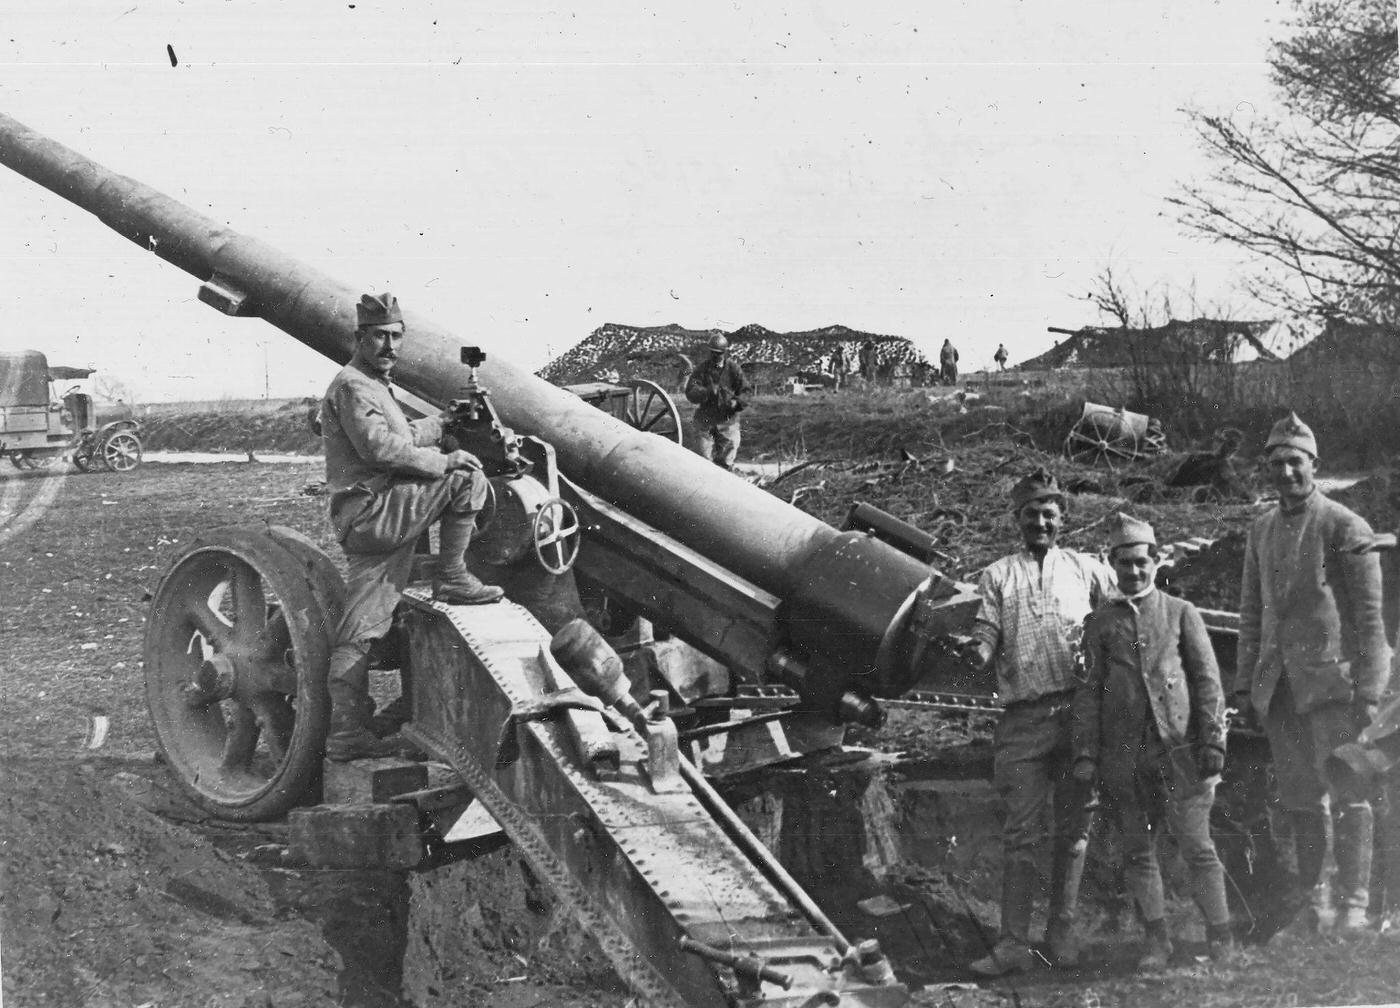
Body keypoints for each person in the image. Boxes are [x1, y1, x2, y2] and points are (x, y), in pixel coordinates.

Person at [319, 292, 504, 762]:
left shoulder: (371, 385)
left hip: (373, 512)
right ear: (360, 338)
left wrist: (442, 423)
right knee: (466, 480)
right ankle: (453, 575)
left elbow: (400, 437)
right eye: (379, 336)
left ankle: (346, 734)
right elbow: (380, 450)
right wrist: (446, 459)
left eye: (396, 336)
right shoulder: (354, 386)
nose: (389, 345)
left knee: (362, 627)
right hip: (374, 512)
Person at [1235, 412, 1391, 934]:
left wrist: (1369, 691)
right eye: (1276, 463)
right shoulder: (1260, 529)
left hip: (1334, 687)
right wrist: (1245, 686)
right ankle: (1314, 901)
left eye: (1294, 462)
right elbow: (1252, 614)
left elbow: (1370, 621)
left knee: (1349, 795)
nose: (1285, 473)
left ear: (1314, 465)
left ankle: (1354, 902)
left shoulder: (1345, 527)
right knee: (1301, 800)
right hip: (1280, 690)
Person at [962, 468, 1118, 976]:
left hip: (1078, 715)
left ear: (1062, 519)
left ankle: (1062, 934)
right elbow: (986, 632)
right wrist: (976, 653)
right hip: (1023, 719)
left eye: (1049, 515)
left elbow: (1119, 618)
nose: (1040, 523)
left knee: (1075, 828)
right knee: (1021, 832)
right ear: (1018, 520)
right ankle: (1012, 943)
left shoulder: (1086, 568)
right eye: (1031, 515)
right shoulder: (998, 575)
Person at [1073, 513, 1235, 969]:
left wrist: (1213, 741)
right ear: (1113, 564)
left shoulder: (1181, 614)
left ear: (1156, 560)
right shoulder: (1100, 624)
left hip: (1179, 753)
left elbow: (1207, 683)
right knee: (1138, 851)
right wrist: (1086, 753)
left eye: (1141, 562)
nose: (1134, 572)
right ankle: (1156, 941)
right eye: (1124, 563)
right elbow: (1087, 693)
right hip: (1125, 759)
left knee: (1196, 845)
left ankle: (1220, 934)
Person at [684, 333, 751, 470]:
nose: (715, 356)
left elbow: (746, 391)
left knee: (726, 463)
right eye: (713, 353)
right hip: (705, 421)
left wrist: (737, 403)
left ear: (724, 353)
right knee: (702, 462)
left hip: (728, 421)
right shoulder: (702, 369)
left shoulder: (733, 369)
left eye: (718, 354)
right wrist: (706, 391)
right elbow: (691, 391)